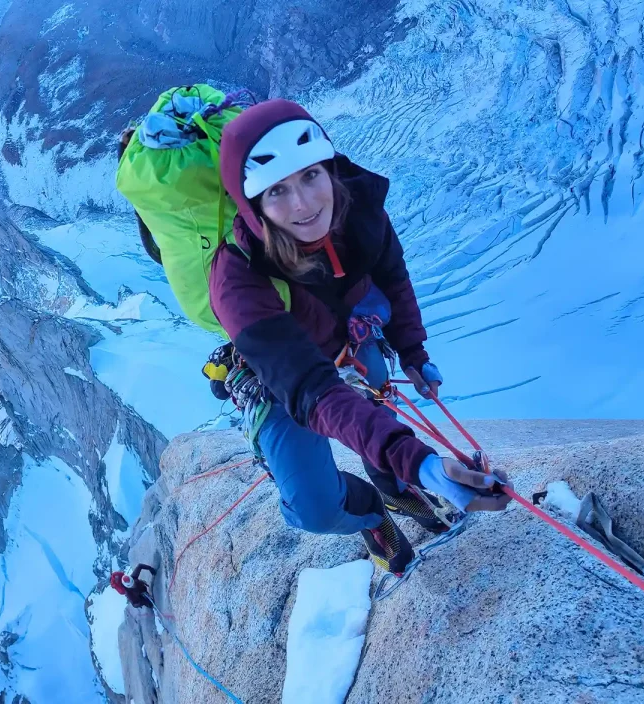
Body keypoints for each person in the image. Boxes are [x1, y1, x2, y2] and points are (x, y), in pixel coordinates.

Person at [209, 99, 512, 574]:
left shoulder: (358, 210)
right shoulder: (237, 280)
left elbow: (390, 274)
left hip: (352, 344)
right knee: (314, 508)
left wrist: (412, 350)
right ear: (254, 207)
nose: (305, 204)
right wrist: (422, 461)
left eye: (311, 175)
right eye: (277, 191)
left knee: (378, 422)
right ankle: (371, 514)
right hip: (286, 381)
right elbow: (311, 389)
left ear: (329, 167)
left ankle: (394, 486)